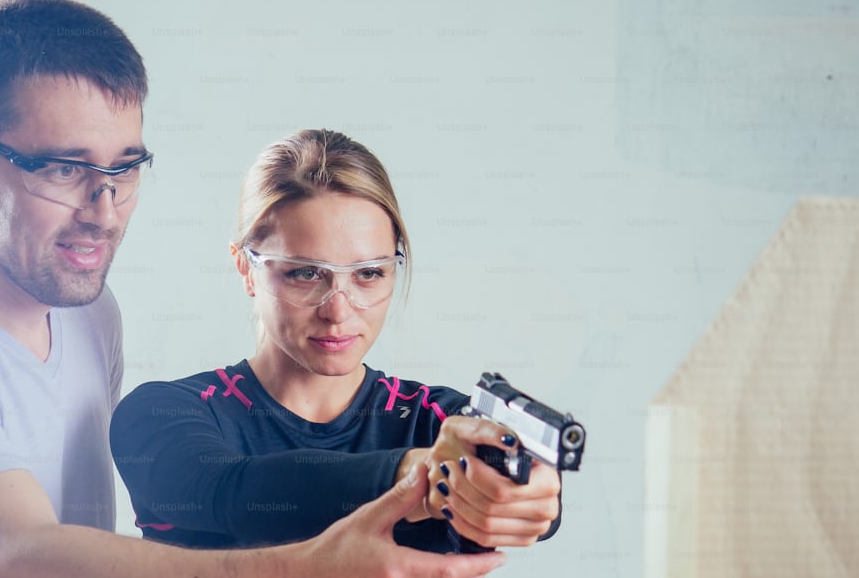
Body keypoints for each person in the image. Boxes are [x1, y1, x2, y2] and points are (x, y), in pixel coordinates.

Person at [0, 0, 507, 578]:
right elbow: (21, 564)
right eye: (66, 169)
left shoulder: (88, 312)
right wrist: (316, 573)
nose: (103, 209)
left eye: (125, 168)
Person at [111, 129, 563, 553]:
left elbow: (536, 491)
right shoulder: (159, 417)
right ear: (246, 268)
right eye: (306, 273)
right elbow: (233, 491)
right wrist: (418, 476)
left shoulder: (435, 423)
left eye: (369, 274)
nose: (338, 309)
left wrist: (534, 494)